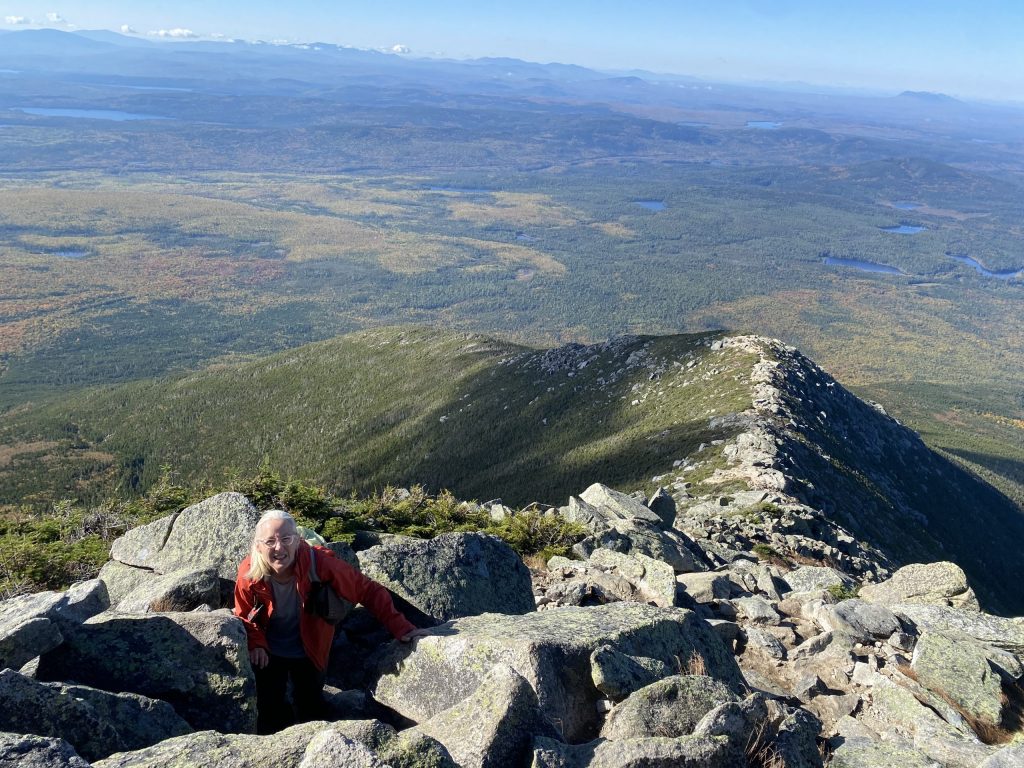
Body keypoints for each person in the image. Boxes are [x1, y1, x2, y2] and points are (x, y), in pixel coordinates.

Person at [233, 509, 426, 733]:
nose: (279, 547)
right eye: (270, 541)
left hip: (311, 649)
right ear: (258, 546)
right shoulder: (250, 573)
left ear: (297, 540)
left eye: (286, 539)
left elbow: (367, 590)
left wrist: (401, 627)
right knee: (269, 708)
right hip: (269, 651)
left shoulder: (320, 564)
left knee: (311, 707)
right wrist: (256, 643)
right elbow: (243, 613)